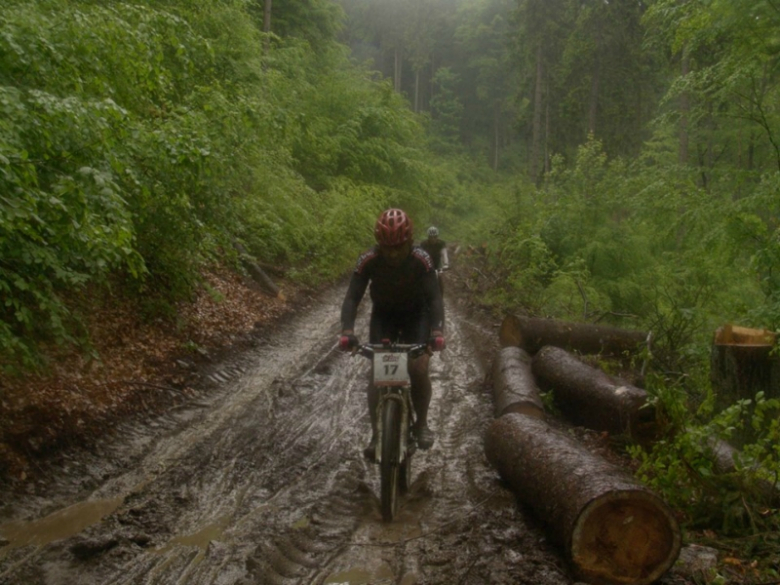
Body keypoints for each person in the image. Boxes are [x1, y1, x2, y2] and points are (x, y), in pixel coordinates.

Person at [339, 209, 445, 459]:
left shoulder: (422, 259)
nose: (394, 254)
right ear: (379, 245)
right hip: (383, 317)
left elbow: (434, 298)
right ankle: (377, 434)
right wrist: (347, 331)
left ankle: (421, 424)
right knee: (377, 373)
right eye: (388, 249)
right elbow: (353, 296)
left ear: (409, 242)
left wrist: (437, 330)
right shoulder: (368, 259)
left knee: (418, 368)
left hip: (416, 316)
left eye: (399, 247)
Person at [420, 226, 449, 295]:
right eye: (431, 237)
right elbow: (420, 255)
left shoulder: (441, 244)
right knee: (421, 281)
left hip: (437, 265)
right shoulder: (424, 244)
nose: (433, 239)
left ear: (437, 237)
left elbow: (444, 254)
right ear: (428, 237)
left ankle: (441, 298)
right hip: (427, 265)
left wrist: (446, 264)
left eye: (434, 237)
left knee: (440, 278)